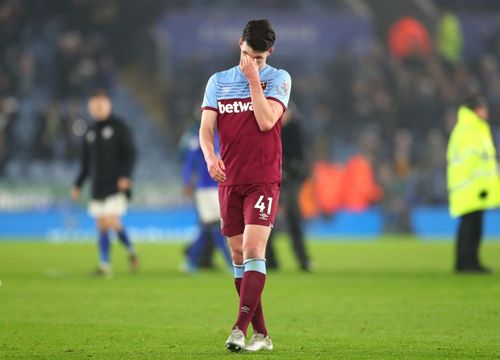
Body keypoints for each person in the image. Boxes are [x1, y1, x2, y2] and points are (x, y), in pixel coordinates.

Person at [199, 19, 291, 352]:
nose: (253, 63)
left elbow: (267, 122)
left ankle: (238, 328)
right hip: (230, 180)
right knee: (238, 255)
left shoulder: (279, 79)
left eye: (260, 59)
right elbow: (206, 129)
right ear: (240, 44)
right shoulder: (218, 82)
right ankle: (262, 334)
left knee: (254, 250)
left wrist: (254, 80)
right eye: (249, 56)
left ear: (271, 52)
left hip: (263, 179)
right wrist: (210, 157)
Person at [71, 90, 138, 276]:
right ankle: (105, 264)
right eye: (94, 106)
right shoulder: (90, 131)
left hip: (116, 185)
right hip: (97, 187)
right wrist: (77, 184)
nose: (97, 109)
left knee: (110, 221)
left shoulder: (119, 126)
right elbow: (85, 163)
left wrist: (126, 176)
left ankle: (129, 252)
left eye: (100, 105)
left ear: (108, 104)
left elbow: (130, 153)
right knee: (101, 225)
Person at [447, 94, 500, 273]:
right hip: (472, 186)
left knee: (468, 225)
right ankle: (470, 263)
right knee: (472, 226)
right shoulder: (472, 130)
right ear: (474, 110)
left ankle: (464, 262)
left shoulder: (467, 128)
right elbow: (474, 161)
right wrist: (483, 185)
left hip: (467, 186)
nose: (485, 112)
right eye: (482, 109)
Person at [265, 103, 312, 271]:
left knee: (293, 216)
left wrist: (289, 168)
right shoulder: (270, 126)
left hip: (290, 178)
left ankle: (303, 260)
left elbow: (301, 157)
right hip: (272, 178)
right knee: (267, 219)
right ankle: (270, 259)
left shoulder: (295, 128)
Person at [181, 125, 232, 272]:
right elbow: (189, 163)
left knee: (209, 227)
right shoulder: (199, 138)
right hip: (206, 189)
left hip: (221, 187)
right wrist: (187, 181)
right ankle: (230, 263)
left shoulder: (225, 135)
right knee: (216, 226)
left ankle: (191, 259)